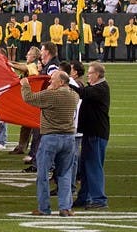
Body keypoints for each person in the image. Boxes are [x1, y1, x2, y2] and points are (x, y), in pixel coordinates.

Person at [20, 70, 79, 217]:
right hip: (68, 138)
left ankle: (44, 208)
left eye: (53, 80)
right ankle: (65, 207)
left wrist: (25, 85)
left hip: (51, 138)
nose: (50, 82)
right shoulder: (74, 96)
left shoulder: (51, 95)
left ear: (61, 82)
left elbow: (29, 98)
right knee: (65, 174)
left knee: (43, 174)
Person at [70, 61, 110, 210]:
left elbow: (83, 93)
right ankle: (84, 197)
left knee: (93, 166)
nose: (88, 74)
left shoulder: (101, 88)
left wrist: (66, 83)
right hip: (90, 133)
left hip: (96, 133)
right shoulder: (96, 87)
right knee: (86, 167)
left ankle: (99, 199)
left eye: (91, 72)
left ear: (97, 74)